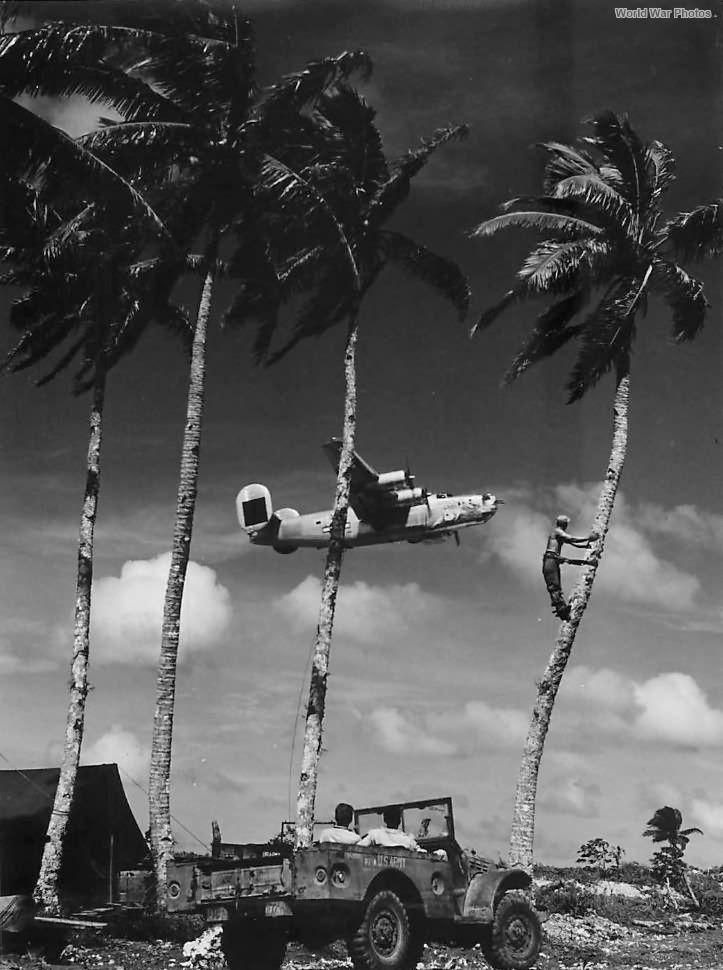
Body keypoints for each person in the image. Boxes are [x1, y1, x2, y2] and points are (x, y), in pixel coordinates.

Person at [542, 515, 597, 620]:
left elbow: (572, 542)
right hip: (551, 560)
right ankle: (561, 609)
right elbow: (571, 539)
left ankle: (561, 608)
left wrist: (585, 545)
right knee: (554, 586)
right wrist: (588, 538)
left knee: (556, 586)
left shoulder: (558, 534)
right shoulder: (557, 531)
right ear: (564, 524)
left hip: (553, 560)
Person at [357, 805, 425, 851]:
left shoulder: (374, 835)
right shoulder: (408, 840)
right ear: (399, 821)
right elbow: (421, 852)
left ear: (385, 820)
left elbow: (357, 848)